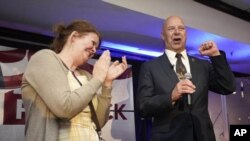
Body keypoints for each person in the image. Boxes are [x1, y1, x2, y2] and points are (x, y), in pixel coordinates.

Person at [21, 20, 127, 141]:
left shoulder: (86, 76)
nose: (94, 50)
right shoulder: (44, 58)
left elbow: (98, 122)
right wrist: (98, 78)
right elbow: (64, 108)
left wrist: (107, 83)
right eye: (92, 43)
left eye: (96, 48)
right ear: (74, 37)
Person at [137, 16, 236, 141]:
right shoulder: (150, 67)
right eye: (171, 29)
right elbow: (143, 106)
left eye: (181, 28)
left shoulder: (202, 66)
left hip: (203, 136)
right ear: (163, 35)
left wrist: (215, 55)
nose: (177, 32)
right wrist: (171, 96)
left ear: (186, 34)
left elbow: (228, 87)